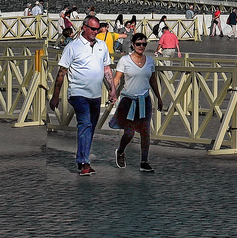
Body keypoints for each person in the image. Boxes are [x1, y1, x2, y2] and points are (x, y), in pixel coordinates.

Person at [51, 18, 113, 175]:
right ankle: (84, 163)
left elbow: (106, 69)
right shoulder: (73, 47)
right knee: (85, 124)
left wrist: (112, 89)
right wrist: (55, 96)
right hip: (78, 93)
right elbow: (62, 72)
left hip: (96, 94)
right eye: (92, 29)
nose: (95, 32)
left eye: (97, 29)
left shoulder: (102, 46)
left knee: (90, 128)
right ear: (84, 27)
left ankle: (81, 158)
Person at [111, 32, 165, 172]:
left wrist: (158, 97)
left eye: (144, 44)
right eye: (138, 44)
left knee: (145, 132)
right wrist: (112, 92)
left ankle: (144, 161)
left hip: (144, 100)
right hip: (129, 100)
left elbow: (153, 80)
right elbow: (117, 79)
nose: (141, 46)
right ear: (133, 45)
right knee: (129, 132)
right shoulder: (125, 60)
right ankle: (121, 151)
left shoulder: (150, 61)